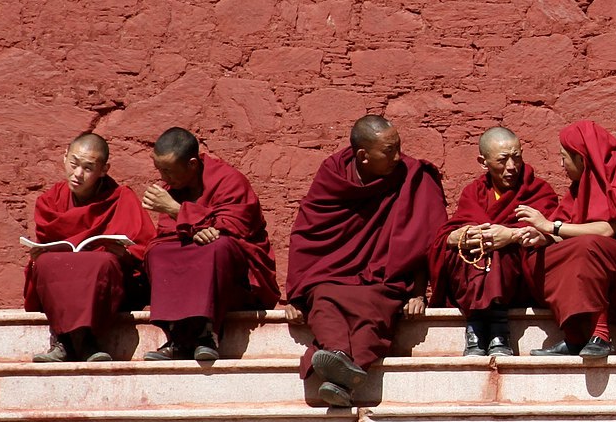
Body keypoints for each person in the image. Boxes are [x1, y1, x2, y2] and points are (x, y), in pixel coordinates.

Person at [284, 115, 447, 406]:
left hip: (382, 278)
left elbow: (425, 240)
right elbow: (309, 233)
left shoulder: (412, 176)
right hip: (333, 275)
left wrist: (419, 292)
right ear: (363, 156)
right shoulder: (334, 175)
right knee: (322, 298)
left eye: (398, 147)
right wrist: (295, 296)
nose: (398, 156)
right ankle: (344, 367)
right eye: (388, 151)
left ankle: (338, 368)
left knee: (373, 307)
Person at [517, 121, 616, 358]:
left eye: (564, 157)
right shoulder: (581, 186)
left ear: (581, 157)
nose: (561, 165)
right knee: (535, 255)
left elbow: (604, 231)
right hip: (601, 260)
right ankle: (574, 336)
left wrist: (551, 226)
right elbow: (567, 234)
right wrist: (544, 237)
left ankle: (600, 335)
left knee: (589, 247)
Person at [139, 127, 279, 361]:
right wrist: (196, 228)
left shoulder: (229, 180)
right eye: (159, 169)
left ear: (192, 164)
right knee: (158, 252)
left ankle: (207, 333)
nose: (164, 178)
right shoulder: (172, 189)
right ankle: (177, 337)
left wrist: (177, 211)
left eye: (169, 172)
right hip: (191, 254)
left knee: (217, 248)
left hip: (235, 277)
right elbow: (167, 233)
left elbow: (235, 227)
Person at [24, 133, 157, 362]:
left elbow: (143, 249)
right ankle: (80, 343)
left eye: (88, 168)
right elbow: (47, 241)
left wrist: (124, 255)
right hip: (65, 278)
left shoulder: (121, 198)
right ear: (64, 157)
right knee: (45, 263)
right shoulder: (49, 201)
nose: (78, 174)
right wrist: (39, 254)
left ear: (104, 169)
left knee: (103, 262)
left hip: (105, 284)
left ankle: (73, 342)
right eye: (74, 164)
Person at [431, 127, 556, 357]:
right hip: (478, 269)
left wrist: (510, 235)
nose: (511, 166)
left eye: (516, 157)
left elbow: (547, 232)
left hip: (516, 280)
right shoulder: (474, 192)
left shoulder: (538, 190)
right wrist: (458, 237)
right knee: (474, 248)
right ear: (483, 162)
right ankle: (482, 327)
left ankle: (490, 329)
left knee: (500, 249)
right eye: (502, 160)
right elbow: (452, 230)